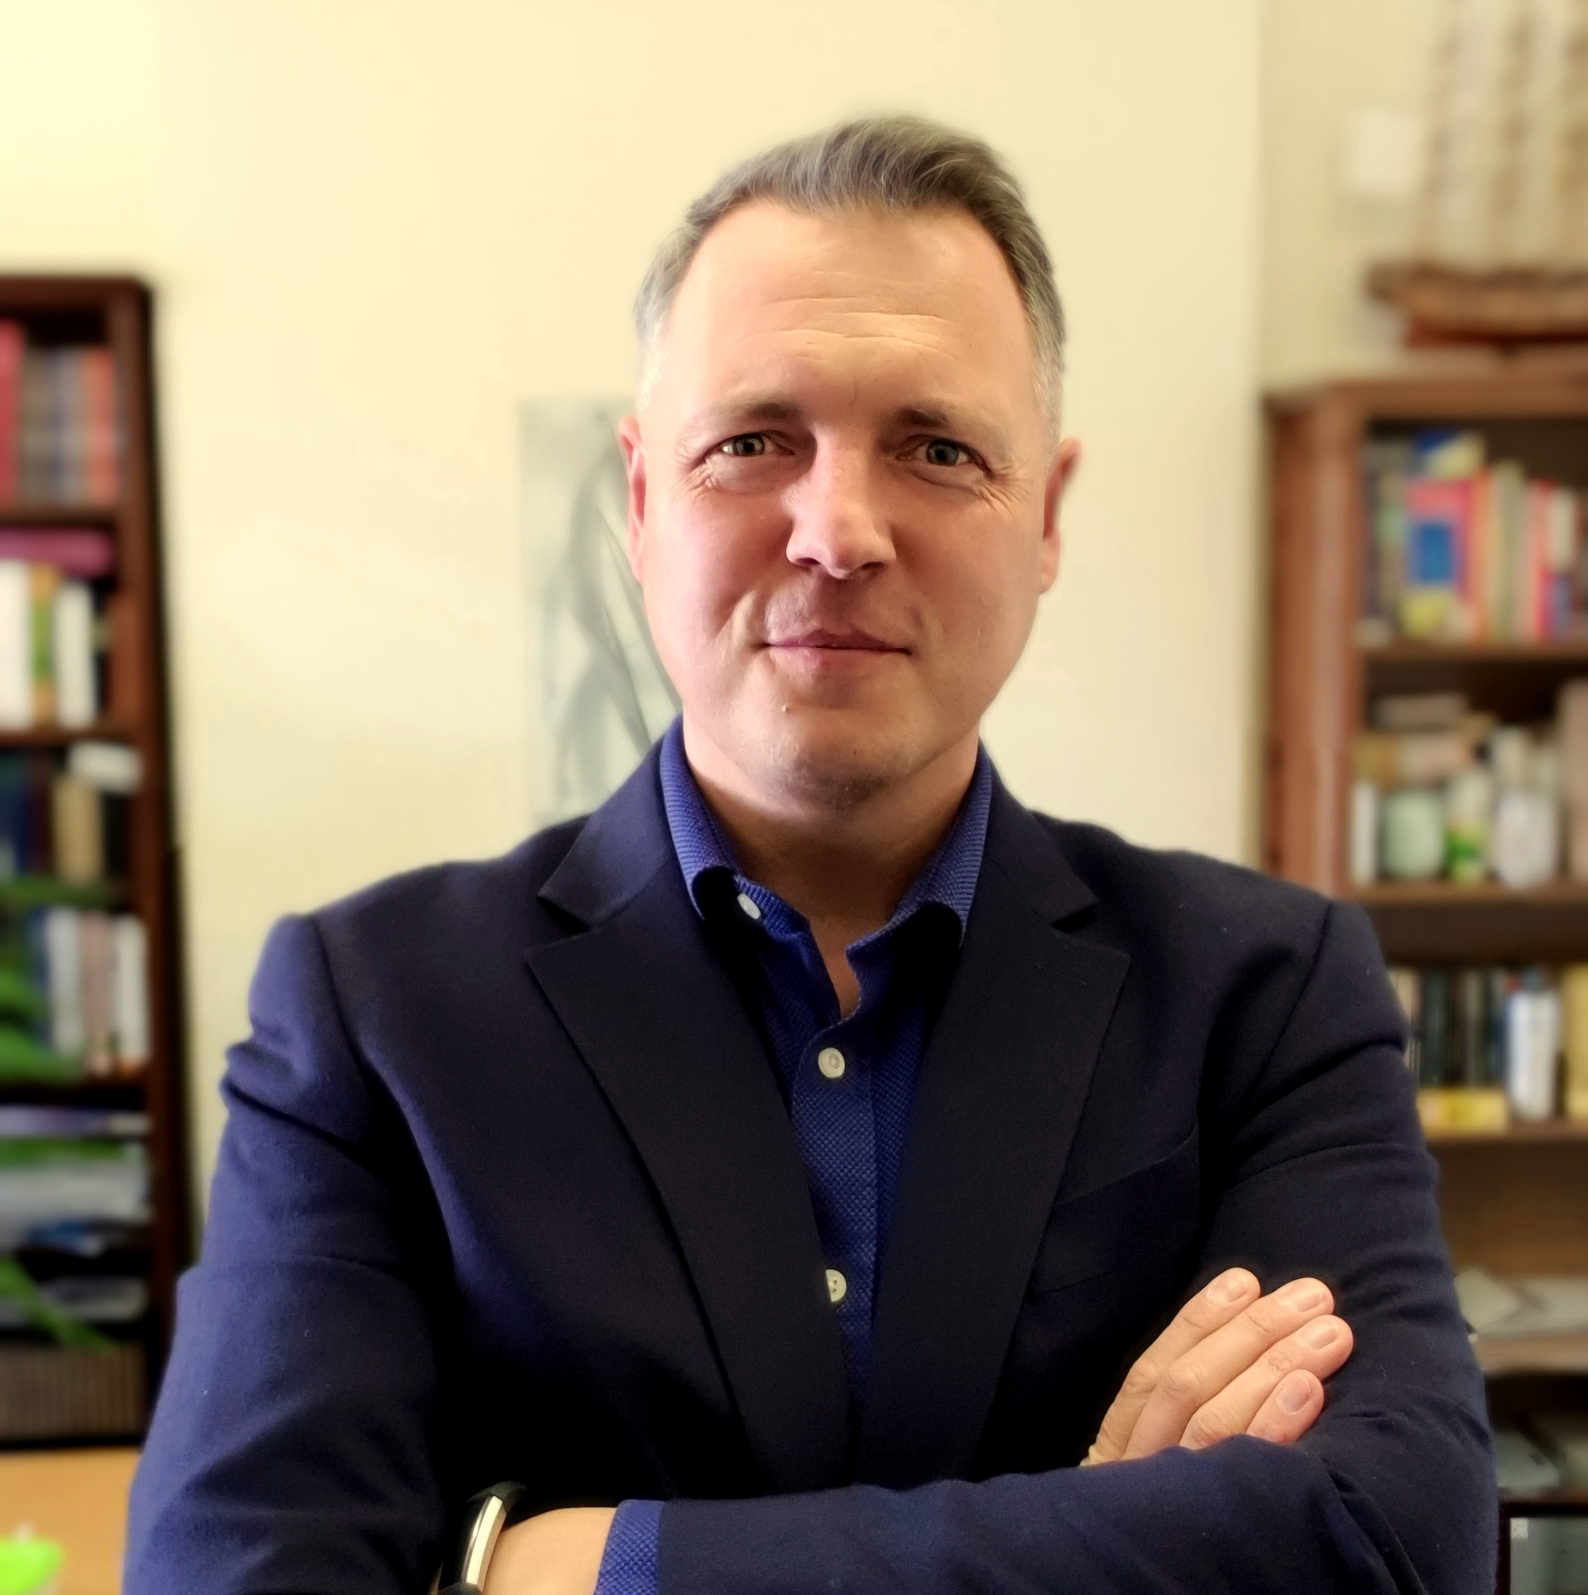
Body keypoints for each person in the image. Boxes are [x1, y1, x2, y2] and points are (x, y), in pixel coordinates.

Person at [126, 117, 1493, 1595]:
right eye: (752, 443)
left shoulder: (1267, 992)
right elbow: (234, 1578)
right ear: (640, 500)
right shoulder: (372, 1012)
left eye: (937, 448)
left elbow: (1394, 1536)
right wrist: (1109, 1533)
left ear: (1045, 515)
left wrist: (584, 1567)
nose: (838, 531)